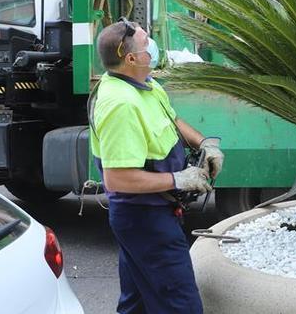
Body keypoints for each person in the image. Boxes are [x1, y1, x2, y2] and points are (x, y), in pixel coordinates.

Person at [90, 19, 224, 313]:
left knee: (136, 302)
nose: (153, 44)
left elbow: (172, 120)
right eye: (146, 41)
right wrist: (180, 179)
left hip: (149, 215)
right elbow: (118, 180)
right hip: (144, 219)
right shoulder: (120, 104)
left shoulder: (147, 86)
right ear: (131, 58)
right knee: (181, 304)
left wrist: (204, 143)